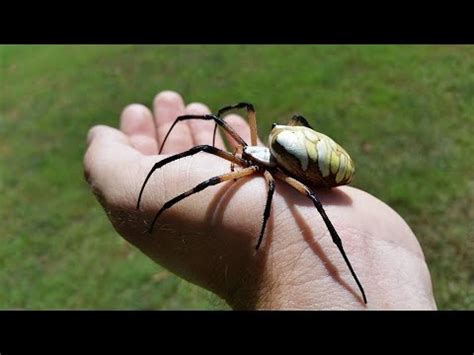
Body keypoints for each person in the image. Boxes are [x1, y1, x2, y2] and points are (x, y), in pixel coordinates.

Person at [83, 90, 437, 310]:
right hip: (294, 153)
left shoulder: (266, 173)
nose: (239, 153)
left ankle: (350, 278)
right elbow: (256, 174)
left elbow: (263, 193)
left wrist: (159, 207)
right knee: (210, 138)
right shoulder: (260, 153)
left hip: (301, 163)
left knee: (211, 166)